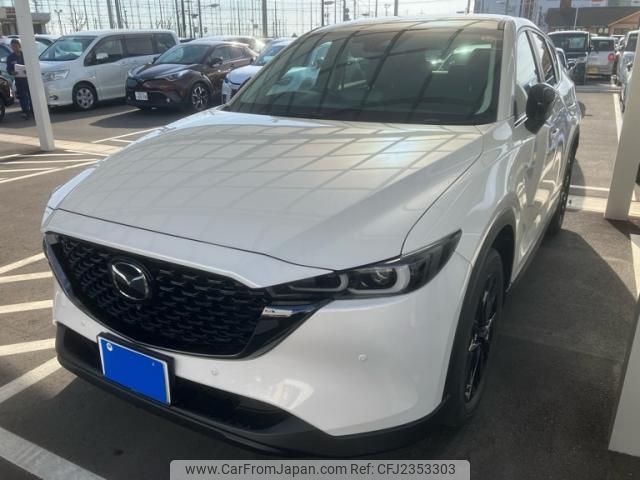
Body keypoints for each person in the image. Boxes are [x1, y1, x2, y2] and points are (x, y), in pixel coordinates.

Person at [7, 39, 32, 120]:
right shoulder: (10, 57)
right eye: (12, 46)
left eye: (15, 46)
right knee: (22, 96)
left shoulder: (25, 55)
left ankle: (34, 111)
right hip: (19, 80)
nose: (14, 48)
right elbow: (9, 69)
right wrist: (12, 72)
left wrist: (27, 69)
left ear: (19, 46)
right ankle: (25, 112)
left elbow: (32, 65)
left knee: (31, 96)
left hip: (29, 79)